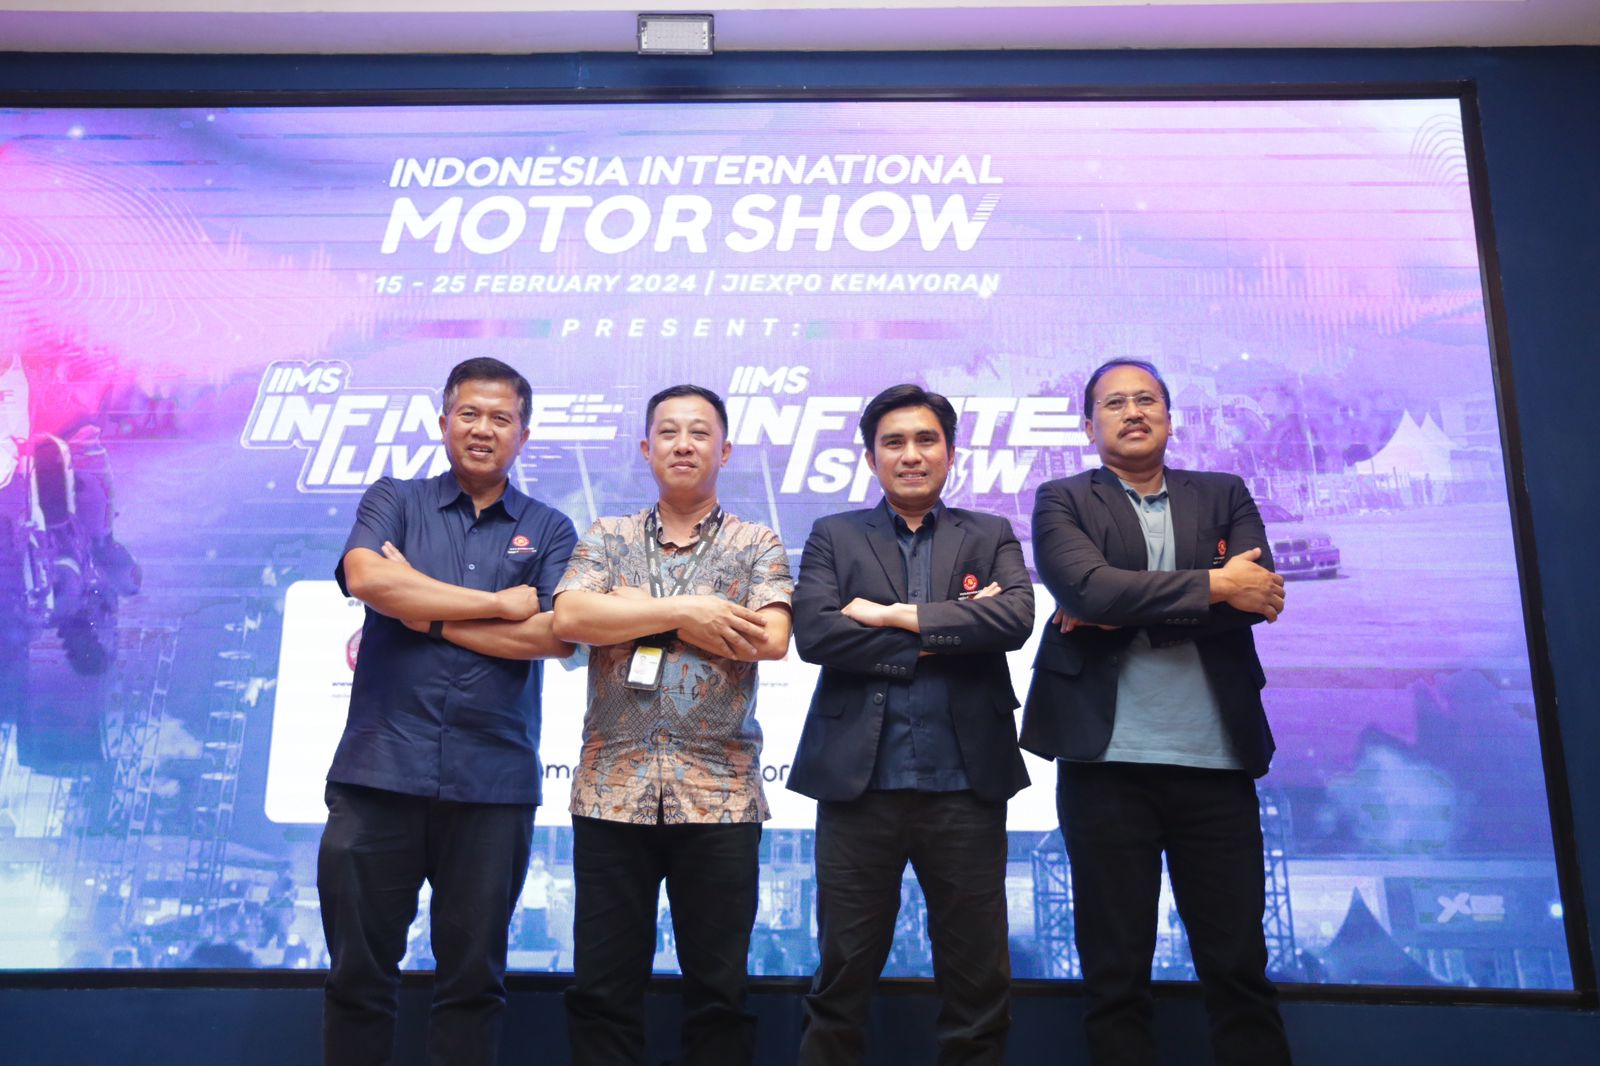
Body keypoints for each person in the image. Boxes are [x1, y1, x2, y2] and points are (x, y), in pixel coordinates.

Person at [1020, 358, 1292, 1066]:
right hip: (1105, 766)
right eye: (1115, 403)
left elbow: (1257, 597)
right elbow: (1086, 591)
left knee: (1238, 967)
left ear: (1170, 418)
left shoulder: (1223, 493)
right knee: (1115, 976)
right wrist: (1213, 585)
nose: (1133, 412)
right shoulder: (1061, 499)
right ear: (1089, 426)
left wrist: (1121, 605)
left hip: (1216, 761)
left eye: (1147, 400)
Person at [318, 356, 578, 1066]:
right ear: (443, 423)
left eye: (500, 418)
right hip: (379, 772)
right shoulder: (394, 499)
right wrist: (496, 604)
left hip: (492, 783)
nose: (483, 429)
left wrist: (423, 610)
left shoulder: (551, 528)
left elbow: (554, 636)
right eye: (469, 414)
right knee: (357, 978)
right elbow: (368, 577)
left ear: (523, 434)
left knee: (473, 985)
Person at [787, 383, 1035, 1066]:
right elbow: (817, 634)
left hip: (966, 785)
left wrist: (891, 616)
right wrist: (954, 629)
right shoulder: (834, 535)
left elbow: (1014, 620)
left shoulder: (988, 532)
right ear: (872, 458)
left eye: (926, 440)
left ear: (950, 452)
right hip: (857, 786)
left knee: (978, 981)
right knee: (841, 978)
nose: (911, 455)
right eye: (893, 442)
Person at [551, 383, 793, 1066]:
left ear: (725, 450)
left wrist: (631, 608)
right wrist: (690, 612)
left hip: (720, 796)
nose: (683, 444)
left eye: (698, 432)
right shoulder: (607, 536)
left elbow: (769, 638)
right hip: (611, 793)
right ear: (646, 448)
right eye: (668, 432)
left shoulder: (756, 542)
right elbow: (571, 617)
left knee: (719, 996)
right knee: (602, 992)